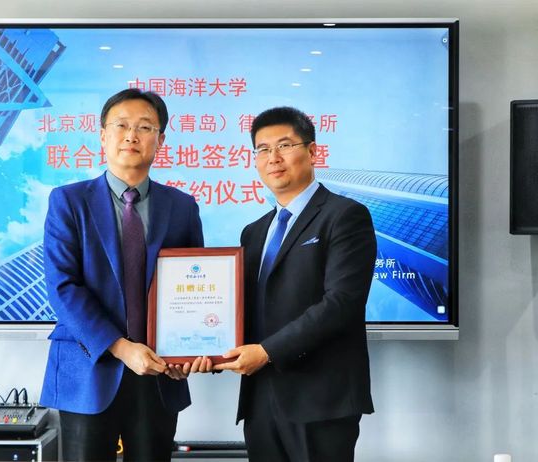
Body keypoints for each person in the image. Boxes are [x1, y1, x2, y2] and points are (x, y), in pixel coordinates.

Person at [40, 88, 208, 462]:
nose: (132, 135)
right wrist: (120, 346)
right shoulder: (68, 201)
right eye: (121, 125)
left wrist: (187, 351)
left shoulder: (182, 207)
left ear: (160, 140)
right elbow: (63, 286)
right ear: (103, 135)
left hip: (158, 374)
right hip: (88, 368)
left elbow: (194, 289)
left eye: (145, 127)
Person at [214, 106, 377, 461]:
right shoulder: (254, 232)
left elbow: (342, 302)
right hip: (261, 399)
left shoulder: (345, 216)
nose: (273, 158)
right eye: (262, 149)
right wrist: (203, 351)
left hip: (321, 399)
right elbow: (243, 311)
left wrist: (268, 351)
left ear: (313, 151)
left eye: (285, 145)